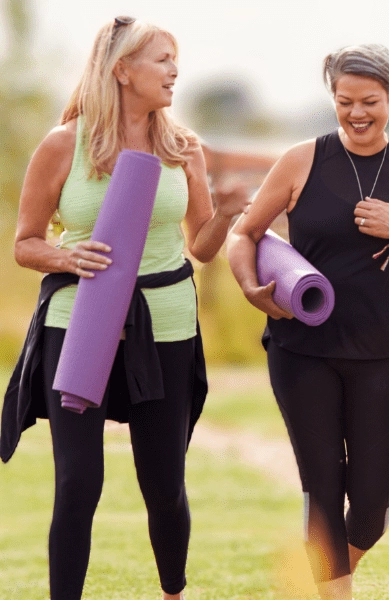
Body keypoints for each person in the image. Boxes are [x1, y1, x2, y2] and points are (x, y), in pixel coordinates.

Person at [0, 17, 250, 600]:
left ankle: (173, 592)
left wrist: (228, 213)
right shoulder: (64, 144)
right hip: (80, 325)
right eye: (162, 60)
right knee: (78, 482)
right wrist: (67, 259)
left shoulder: (181, 148)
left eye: (174, 61)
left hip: (165, 325)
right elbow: (25, 242)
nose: (174, 72)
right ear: (122, 70)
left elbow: (202, 247)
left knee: (164, 484)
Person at [226, 44, 389, 600]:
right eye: (344, 101)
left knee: (371, 505)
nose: (357, 113)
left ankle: (321, 578)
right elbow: (245, 233)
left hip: (379, 353)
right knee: (321, 490)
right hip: (302, 352)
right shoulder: (301, 160)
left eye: (370, 100)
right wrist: (252, 290)